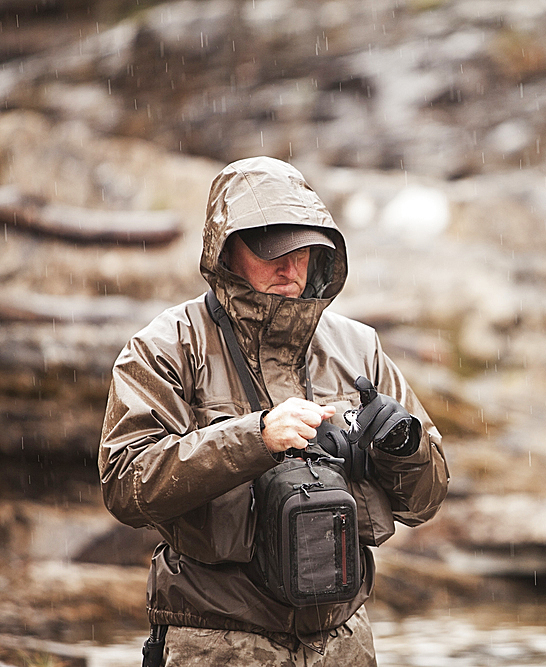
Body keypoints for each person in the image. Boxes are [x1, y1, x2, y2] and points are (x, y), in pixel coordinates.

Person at [99, 156, 449, 666]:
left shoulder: (359, 348)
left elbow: (426, 501)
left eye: (305, 251)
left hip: (344, 644)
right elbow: (126, 486)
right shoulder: (165, 347)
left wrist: (405, 449)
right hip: (218, 644)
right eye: (273, 253)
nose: (291, 269)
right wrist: (255, 438)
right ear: (225, 252)